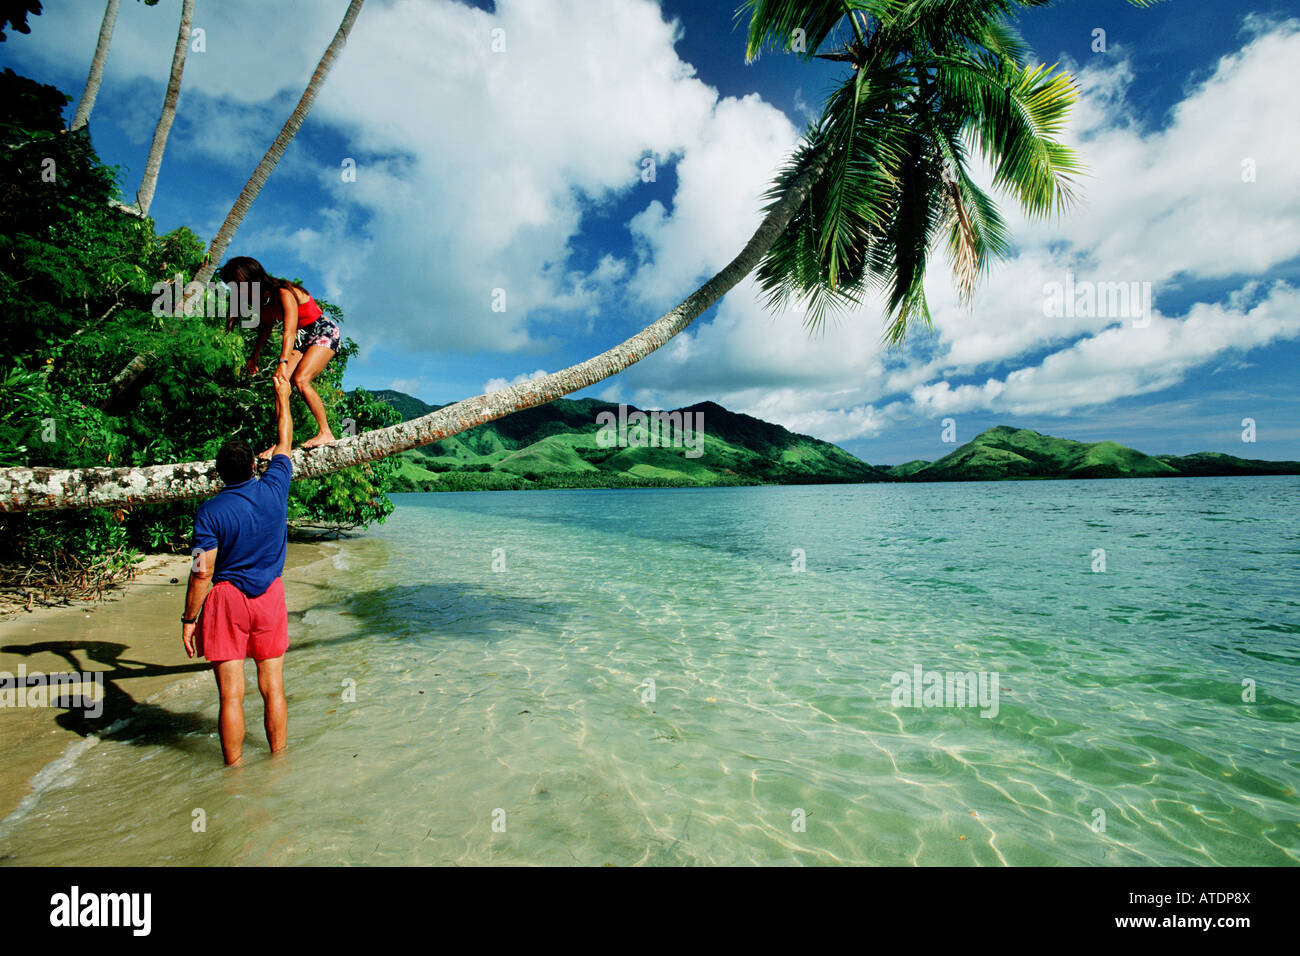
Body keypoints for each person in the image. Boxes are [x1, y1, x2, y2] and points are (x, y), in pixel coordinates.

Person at [181, 373, 295, 766]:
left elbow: (201, 571)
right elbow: (284, 441)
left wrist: (189, 618)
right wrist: (282, 395)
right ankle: (278, 760)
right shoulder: (274, 488)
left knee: (230, 696)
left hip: (227, 601)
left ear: (219, 474)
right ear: (253, 464)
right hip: (269, 596)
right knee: (273, 688)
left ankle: (233, 771)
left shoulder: (209, 512)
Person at [218, 255, 340, 456]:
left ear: (248, 279)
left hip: (322, 331)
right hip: (303, 337)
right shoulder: (261, 301)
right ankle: (282, 443)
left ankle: (325, 432)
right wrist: (254, 356)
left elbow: (289, 331)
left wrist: (283, 362)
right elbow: (265, 328)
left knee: (301, 380)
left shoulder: (283, 292)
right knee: (280, 383)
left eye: (236, 285)